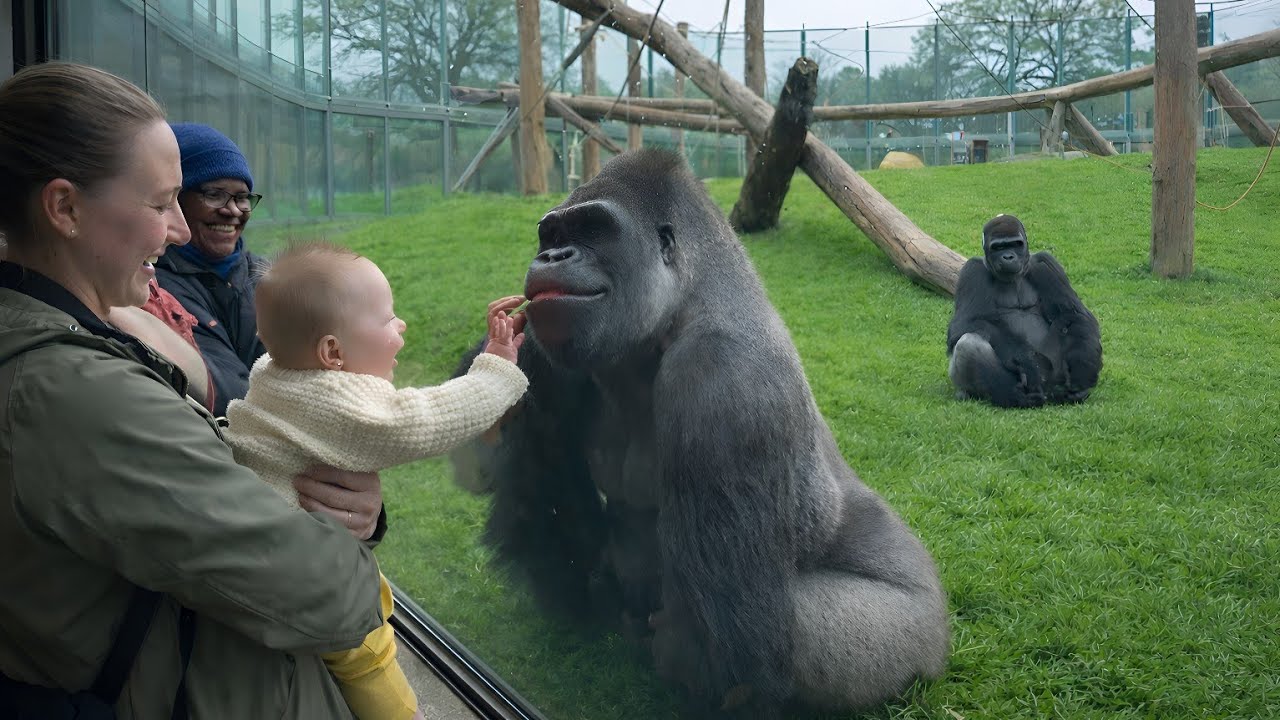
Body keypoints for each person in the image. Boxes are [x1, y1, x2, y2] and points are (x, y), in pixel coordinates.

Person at [0, 62, 385, 718]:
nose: (178, 229)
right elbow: (336, 598)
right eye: (159, 204)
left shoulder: (55, 349)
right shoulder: (74, 394)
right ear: (64, 208)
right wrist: (343, 532)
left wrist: (346, 507)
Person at [224, 243, 530, 720]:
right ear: (332, 353)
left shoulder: (273, 373)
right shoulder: (337, 407)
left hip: (277, 559)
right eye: (388, 319)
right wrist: (498, 370)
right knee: (369, 656)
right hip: (311, 587)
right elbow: (419, 420)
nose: (402, 325)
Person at [154, 122, 267, 416]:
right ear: (176, 201)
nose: (232, 210)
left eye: (242, 197)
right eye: (215, 194)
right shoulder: (155, 287)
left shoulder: (265, 275)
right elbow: (229, 395)